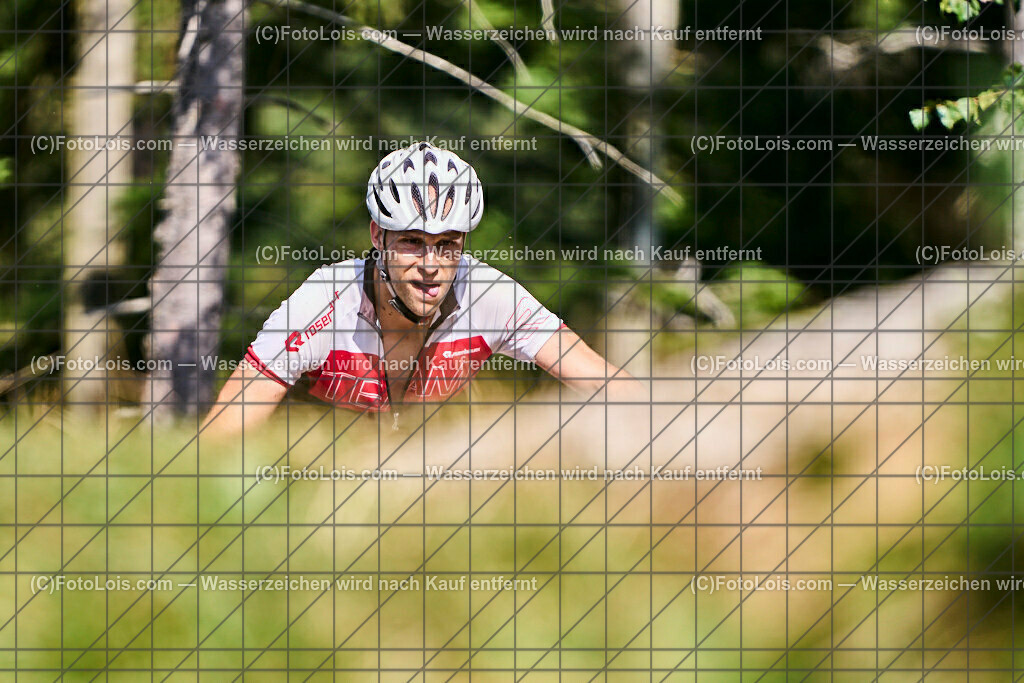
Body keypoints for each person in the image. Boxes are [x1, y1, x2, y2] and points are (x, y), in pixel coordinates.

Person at [201, 142, 640, 436]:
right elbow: (225, 431)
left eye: (447, 245)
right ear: (377, 236)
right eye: (412, 241)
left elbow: (613, 389)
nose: (431, 265)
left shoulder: (489, 295)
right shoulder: (324, 300)